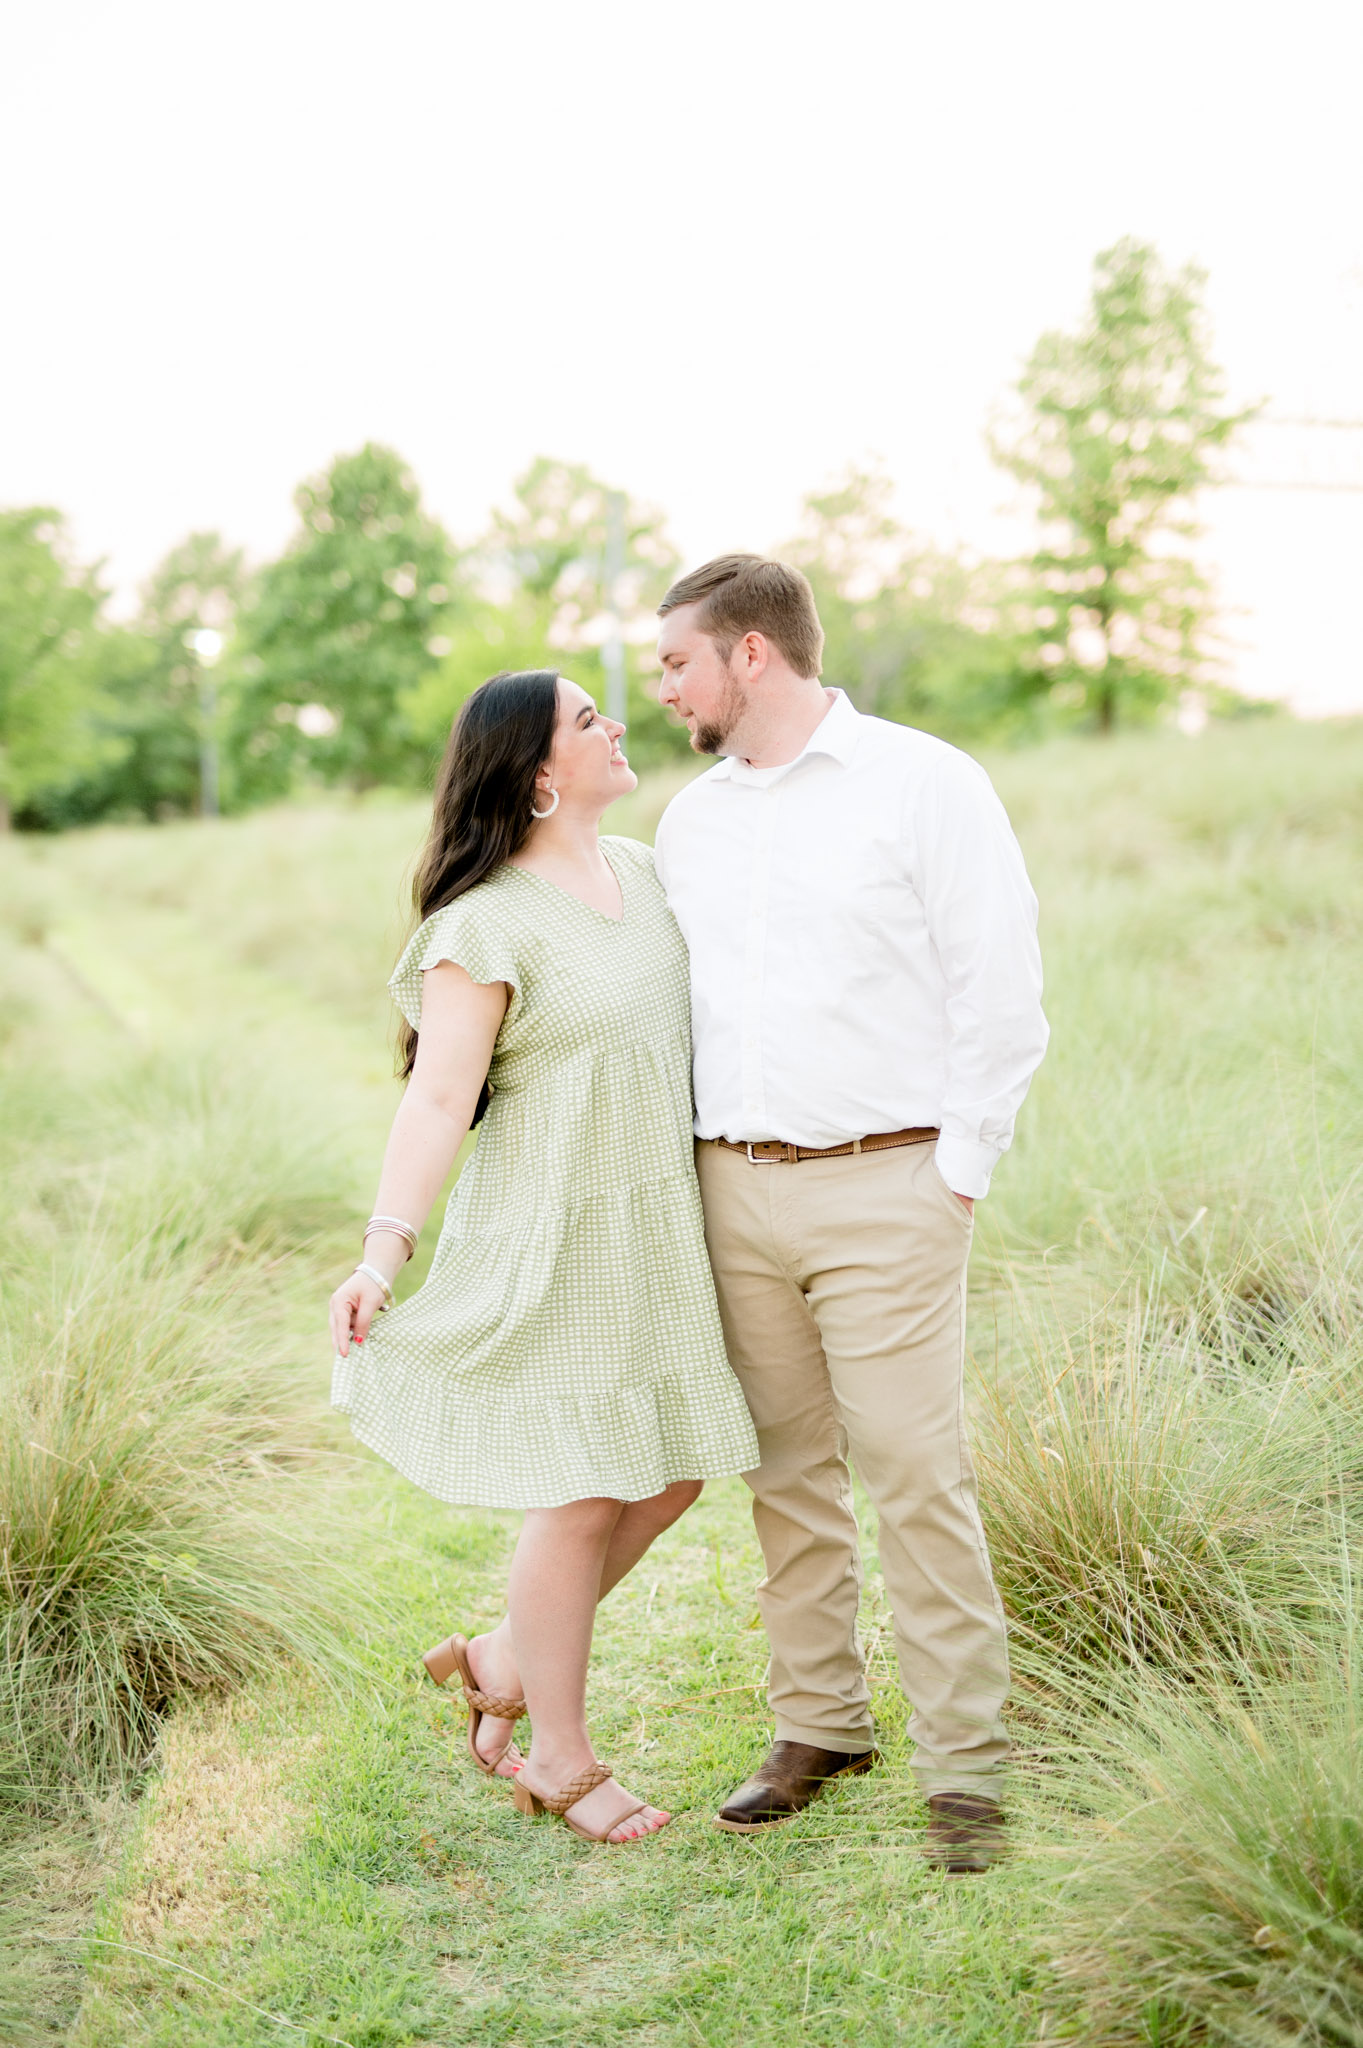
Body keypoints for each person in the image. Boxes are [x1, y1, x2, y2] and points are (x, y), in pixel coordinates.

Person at [652, 557, 1048, 1874]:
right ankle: (817, 1722)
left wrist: (956, 1171)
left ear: (749, 656)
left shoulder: (923, 784)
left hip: (888, 1186)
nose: (662, 690)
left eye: (675, 664)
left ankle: (965, 1773)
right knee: (782, 1471)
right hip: (731, 1185)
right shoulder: (693, 823)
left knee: (912, 1475)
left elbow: (998, 988)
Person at [329, 669, 759, 1847]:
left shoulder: (645, 871)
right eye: (584, 718)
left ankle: (503, 1652)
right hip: (553, 1232)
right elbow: (434, 1100)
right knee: (581, 1491)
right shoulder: (481, 926)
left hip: (658, 1227)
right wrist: (383, 1253)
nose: (615, 722)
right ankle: (557, 1758)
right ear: (532, 775)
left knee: (671, 1470)